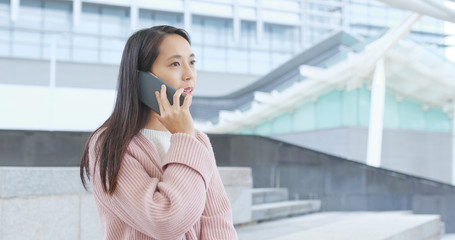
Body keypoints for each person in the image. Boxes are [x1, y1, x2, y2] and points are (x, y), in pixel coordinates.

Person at [80, 25, 238, 240]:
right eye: (175, 64)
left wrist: (186, 136)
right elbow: (165, 222)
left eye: (191, 62)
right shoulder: (110, 143)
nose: (189, 75)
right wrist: (183, 137)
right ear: (142, 78)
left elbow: (217, 221)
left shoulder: (197, 139)